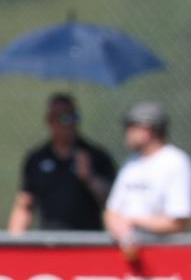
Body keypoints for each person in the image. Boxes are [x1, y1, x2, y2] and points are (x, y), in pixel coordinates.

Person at [8, 93, 116, 232]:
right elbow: (25, 205)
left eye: (72, 116)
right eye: (62, 117)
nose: (68, 123)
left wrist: (90, 177)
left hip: (88, 242)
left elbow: (114, 204)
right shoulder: (36, 158)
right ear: (49, 120)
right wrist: (14, 243)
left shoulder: (96, 156)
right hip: (49, 243)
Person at [105, 102, 191, 253]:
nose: (126, 133)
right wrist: (122, 231)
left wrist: (133, 222)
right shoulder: (131, 163)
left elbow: (179, 222)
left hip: (164, 256)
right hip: (127, 257)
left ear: (146, 130)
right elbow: (111, 211)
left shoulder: (176, 162)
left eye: (131, 127)